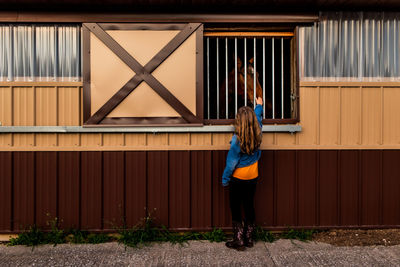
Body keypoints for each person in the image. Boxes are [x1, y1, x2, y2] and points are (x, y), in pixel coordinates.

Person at [222, 97, 263, 251]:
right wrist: (259, 106)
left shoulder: (236, 141)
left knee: (236, 207)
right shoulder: (258, 132)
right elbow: (258, 118)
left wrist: (225, 179)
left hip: (238, 179)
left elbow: (230, 164)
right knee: (249, 205)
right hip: (253, 177)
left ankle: (238, 239)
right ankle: (249, 238)